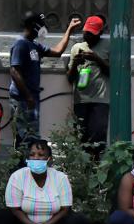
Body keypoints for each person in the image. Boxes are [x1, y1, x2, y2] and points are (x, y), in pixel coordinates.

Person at [9, 11, 82, 147]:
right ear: (32, 25)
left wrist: (69, 30)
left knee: (32, 136)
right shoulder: (21, 44)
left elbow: (57, 52)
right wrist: (28, 96)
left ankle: (30, 164)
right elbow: (14, 71)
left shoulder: (34, 45)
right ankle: (21, 166)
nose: (43, 29)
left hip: (32, 98)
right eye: (41, 25)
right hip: (22, 100)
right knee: (24, 137)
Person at [66, 14, 110, 159]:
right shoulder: (77, 48)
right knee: (81, 140)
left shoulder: (108, 46)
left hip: (100, 100)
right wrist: (75, 65)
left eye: (91, 34)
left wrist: (96, 59)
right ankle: (83, 173)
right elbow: (69, 78)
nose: (87, 36)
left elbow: (114, 73)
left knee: (98, 141)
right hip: (81, 101)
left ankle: (96, 169)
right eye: (86, 32)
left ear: (100, 33)